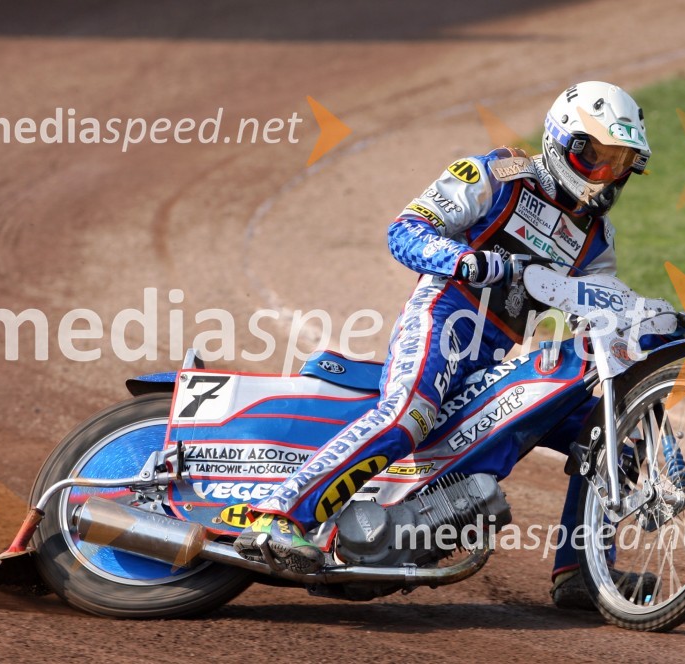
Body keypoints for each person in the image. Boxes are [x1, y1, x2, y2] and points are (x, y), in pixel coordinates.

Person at [236, 81, 652, 607]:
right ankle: (279, 516)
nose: (605, 175)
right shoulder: (494, 176)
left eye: (619, 164)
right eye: (596, 156)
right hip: (444, 315)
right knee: (410, 413)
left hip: (500, 357)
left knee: (612, 439)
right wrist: (469, 261)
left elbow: (598, 309)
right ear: (560, 140)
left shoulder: (597, 240)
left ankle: (583, 576)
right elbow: (405, 230)